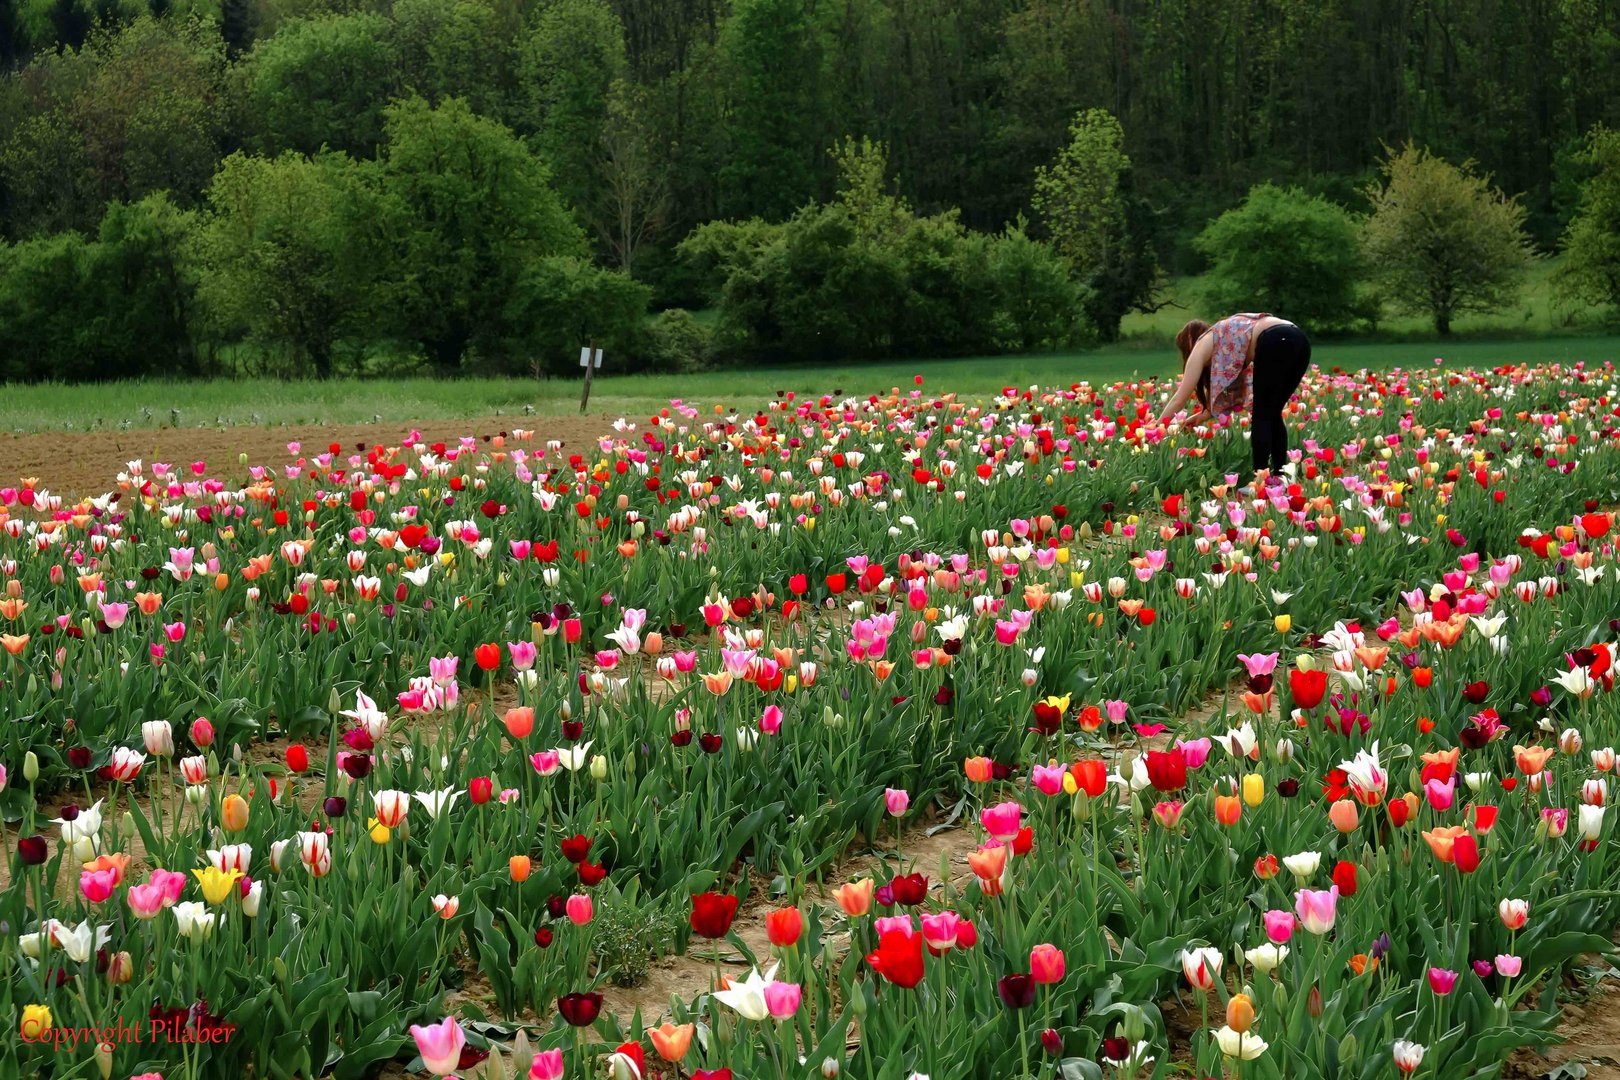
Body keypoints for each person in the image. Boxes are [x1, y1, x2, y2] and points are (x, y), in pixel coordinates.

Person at [1155, 312, 1311, 476]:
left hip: (1275, 339)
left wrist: (1156, 429)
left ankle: (1260, 480)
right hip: (1299, 339)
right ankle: (1280, 477)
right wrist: (1202, 416)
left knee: (1262, 415)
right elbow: (1232, 387)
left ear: (1188, 344)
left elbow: (1179, 399)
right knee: (1272, 413)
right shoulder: (1227, 337)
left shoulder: (1201, 345)